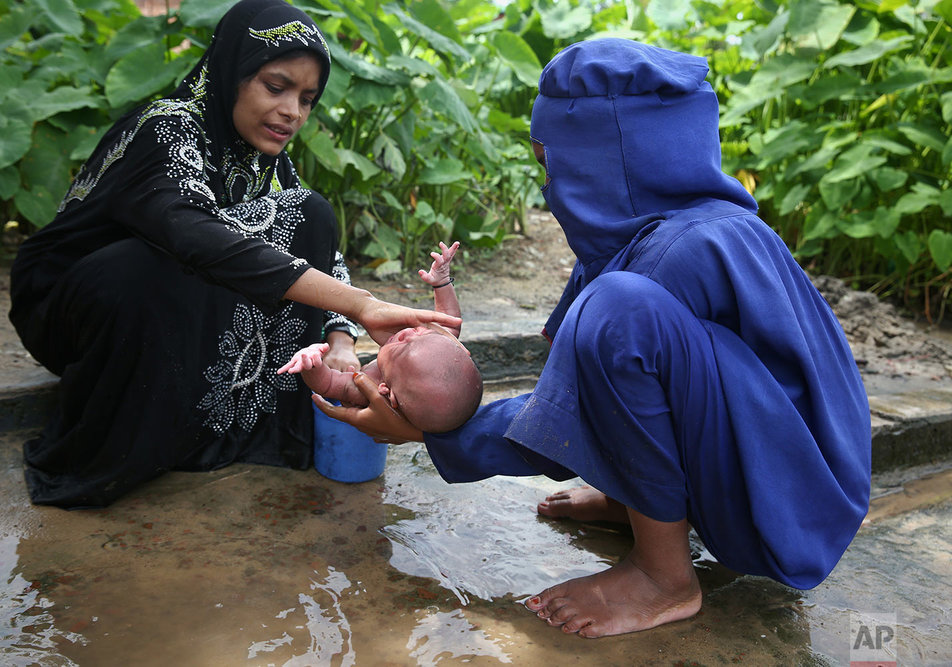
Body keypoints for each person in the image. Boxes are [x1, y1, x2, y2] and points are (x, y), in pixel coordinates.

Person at [316, 38, 872, 638]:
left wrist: (430, 430)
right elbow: (573, 380)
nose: (549, 189)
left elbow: (566, 415)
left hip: (790, 500)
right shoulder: (636, 235)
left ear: (607, 162)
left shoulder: (683, 251)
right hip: (751, 451)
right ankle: (638, 505)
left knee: (615, 314)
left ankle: (664, 578)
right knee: (600, 314)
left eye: (551, 167)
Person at [7, 0, 458, 509]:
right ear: (232, 71)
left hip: (153, 298)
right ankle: (132, 435)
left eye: (307, 98)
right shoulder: (168, 127)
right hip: (73, 308)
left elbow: (319, 251)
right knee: (151, 262)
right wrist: (362, 305)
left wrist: (340, 339)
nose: (293, 111)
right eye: (275, 86)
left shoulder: (265, 158)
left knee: (307, 213)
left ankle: (232, 419)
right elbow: (195, 235)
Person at [280, 241, 483, 433]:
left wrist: (312, 365)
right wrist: (442, 282)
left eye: (402, 345)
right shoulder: (439, 349)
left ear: (388, 391)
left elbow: (328, 384)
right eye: (423, 334)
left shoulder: (369, 388)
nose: (408, 332)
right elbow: (449, 320)